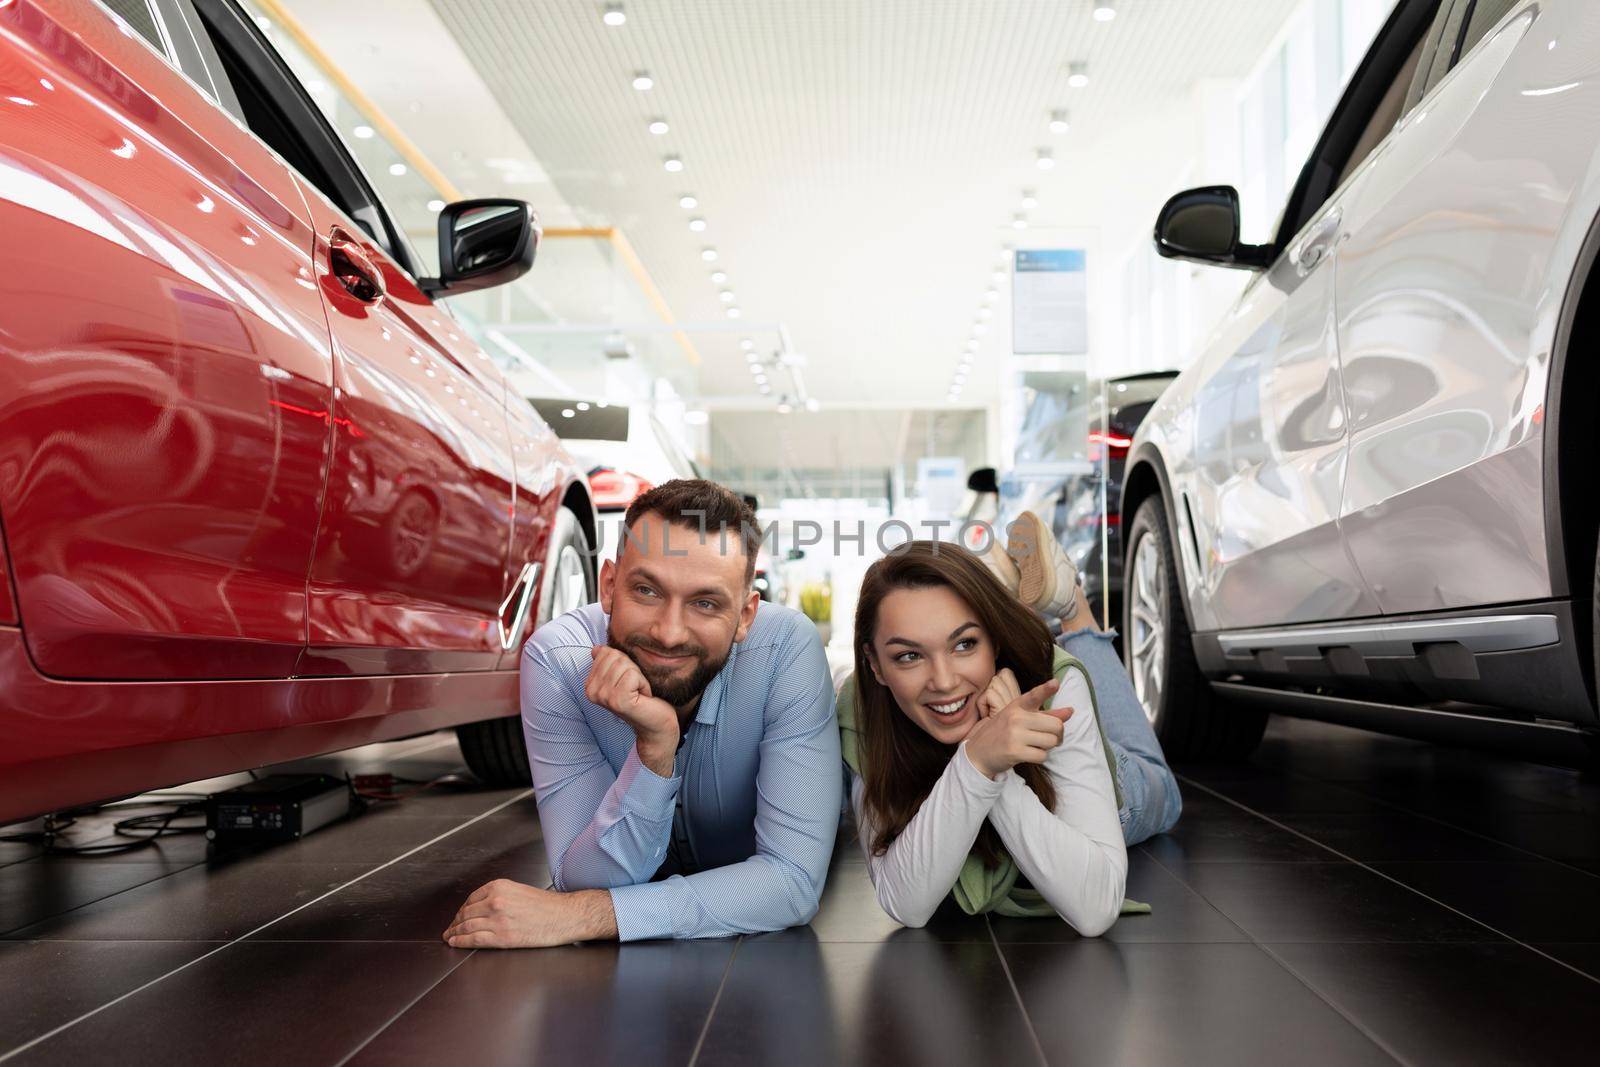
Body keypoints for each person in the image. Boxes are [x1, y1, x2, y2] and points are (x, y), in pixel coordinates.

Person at [443, 480, 841, 948]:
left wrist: (587, 916)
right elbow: (582, 877)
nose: (669, 633)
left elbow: (791, 880)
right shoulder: (558, 662)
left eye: (706, 603)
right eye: (647, 591)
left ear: (747, 615)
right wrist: (654, 751)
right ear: (609, 585)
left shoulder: (785, 651)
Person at [841, 519, 1180, 934]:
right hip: (1005, 744)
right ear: (874, 664)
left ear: (995, 641)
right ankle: (1004, 599)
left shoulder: (1052, 682)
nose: (944, 680)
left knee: (1161, 785)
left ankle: (1073, 607)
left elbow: (1096, 908)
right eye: (909, 656)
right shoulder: (859, 710)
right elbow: (904, 902)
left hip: (1093, 781)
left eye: (965, 643)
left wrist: (998, 767)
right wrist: (982, 757)